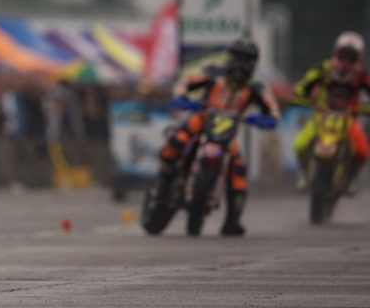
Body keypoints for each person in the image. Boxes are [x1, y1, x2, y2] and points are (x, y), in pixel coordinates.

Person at [155, 39, 280, 236]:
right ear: (229, 57)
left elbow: (273, 111)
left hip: (227, 134)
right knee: (178, 138)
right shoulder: (212, 74)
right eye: (237, 57)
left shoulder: (257, 88)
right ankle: (164, 179)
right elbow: (184, 83)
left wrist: (264, 119)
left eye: (247, 59)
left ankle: (233, 220)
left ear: (254, 63)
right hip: (202, 120)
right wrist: (182, 98)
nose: (240, 63)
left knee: (238, 166)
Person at [292, 31, 370, 193]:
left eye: (351, 56)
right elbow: (302, 86)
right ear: (336, 52)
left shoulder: (361, 75)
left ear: (359, 57)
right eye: (343, 55)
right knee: (299, 145)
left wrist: (363, 109)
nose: (346, 61)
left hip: (348, 117)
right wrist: (303, 97)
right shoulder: (323, 69)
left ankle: (350, 180)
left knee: (362, 151)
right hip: (322, 114)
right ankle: (305, 175)